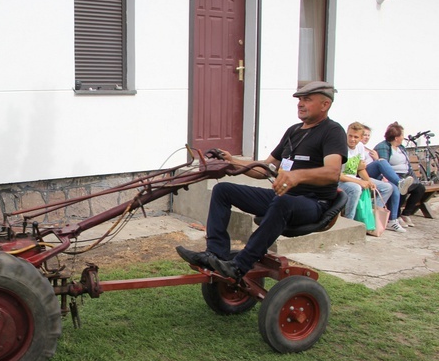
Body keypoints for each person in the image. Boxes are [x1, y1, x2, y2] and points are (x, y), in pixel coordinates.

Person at [176, 81, 347, 280]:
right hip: (282, 197)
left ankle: (240, 266)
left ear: (325, 105)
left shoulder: (332, 131)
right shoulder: (294, 131)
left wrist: (296, 176)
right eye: (299, 100)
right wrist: (232, 162)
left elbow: (332, 172)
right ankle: (215, 253)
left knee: (283, 202)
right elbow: (264, 169)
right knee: (223, 190)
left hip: (313, 203)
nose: (300, 104)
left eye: (307, 100)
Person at [338, 122, 393, 225]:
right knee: (356, 188)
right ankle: (349, 222)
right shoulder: (340, 146)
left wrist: (368, 181)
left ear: (361, 138)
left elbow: (360, 170)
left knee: (386, 187)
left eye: (356, 137)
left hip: (354, 179)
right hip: (340, 181)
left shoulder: (360, 147)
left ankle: (368, 217)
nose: (352, 139)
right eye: (350, 136)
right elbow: (337, 175)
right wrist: (360, 182)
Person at [361, 123, 414, 229]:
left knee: (393, 188)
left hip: (374, 175)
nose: (366, 137)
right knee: (381, 162)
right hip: (363, 175)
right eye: (364, 135)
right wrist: (377, 160)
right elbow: (361, 167)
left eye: (368, 135)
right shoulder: (358, 148)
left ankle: (392, 220)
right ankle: (399, 182)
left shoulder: (368, 149)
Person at [373, 122, 426, 226]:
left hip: (406, 176)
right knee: (402, 188)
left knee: (420, 188)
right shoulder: (383, 147)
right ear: (396, 137)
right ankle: (395, 215)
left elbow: (407, 164)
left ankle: (406, 214)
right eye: (402, 135)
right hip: (394, 176)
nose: (403, 137)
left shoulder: (401, 147)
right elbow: (384, 165)